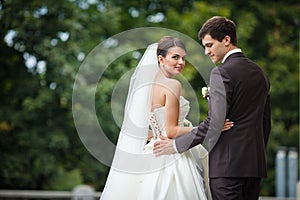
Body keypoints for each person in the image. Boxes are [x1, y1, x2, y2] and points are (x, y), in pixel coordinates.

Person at [100, 36, 232, 200]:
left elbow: (145, 128)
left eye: (183, 58)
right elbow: (171, 131)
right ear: (161, 59)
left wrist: (155, 134)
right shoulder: (172, 85)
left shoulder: (146, 87)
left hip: (150, 153)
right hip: (171, 154)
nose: (181, 62)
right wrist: (211, 127)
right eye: (175, 57)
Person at [154, 16, 271, 200]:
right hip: (254, 167)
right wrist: (254, 154)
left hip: (227, 167)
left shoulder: (221, 73)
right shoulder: (260, 73)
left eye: (209, 45)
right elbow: (265, 122)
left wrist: (177, 145)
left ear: (226, 40)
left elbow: (216, 123)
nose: (207, 52)